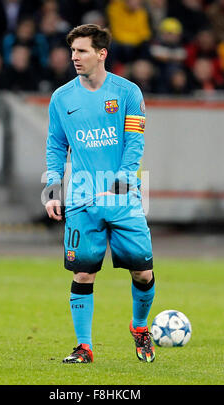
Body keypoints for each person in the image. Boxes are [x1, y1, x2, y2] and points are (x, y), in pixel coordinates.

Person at [43, 24, 156, 364]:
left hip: (122, 199)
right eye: (73, 51)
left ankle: (139, 329)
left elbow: (135, 140)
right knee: (83, 273)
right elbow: (55, 146)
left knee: (143, 273)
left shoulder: (127, 92)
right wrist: (52, 189)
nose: (74, 57)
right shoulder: (61, 98)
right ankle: (84, 347)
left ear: (101, 53)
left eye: (82, 51)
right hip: (82, 201)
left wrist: (122, 179)